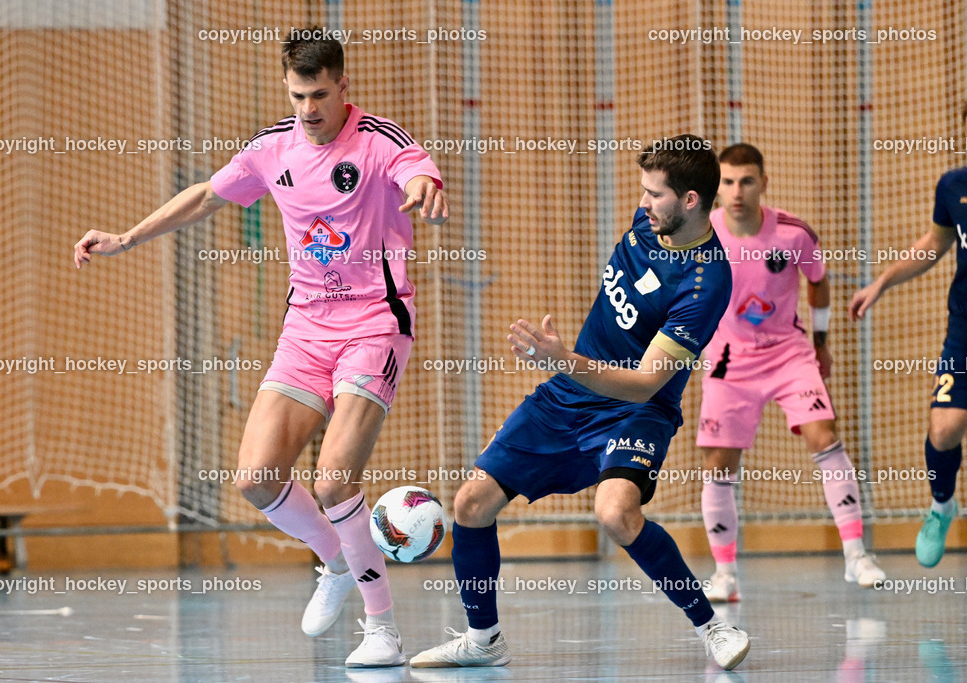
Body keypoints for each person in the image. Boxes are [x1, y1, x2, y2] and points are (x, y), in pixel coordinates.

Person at [73, 32, 448, 667]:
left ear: (343, 86)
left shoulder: (379, 140)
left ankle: (381, 628)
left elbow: (417, 170)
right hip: (305, 328)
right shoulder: (272, 148)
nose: (309, 109)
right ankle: (336, 560)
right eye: (298, 96)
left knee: (334, 479)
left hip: (374, 323)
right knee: (255, 478)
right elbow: (205, 196)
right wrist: (127, 238)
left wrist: (426, 189)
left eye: (320, 95)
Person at [411, 135, 750, 672]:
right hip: (569, 396)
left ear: (690, 201)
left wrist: (563, 358)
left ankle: (714, 626)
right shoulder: (650, 224)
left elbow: (645, 383)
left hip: (636, 409)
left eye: (655, 194)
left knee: (616, 512)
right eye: (643, 191)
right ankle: (483, 640)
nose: (642, 203)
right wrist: (568, 367)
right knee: (471, 504)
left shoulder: (705, 283)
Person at [697, 143, 885, 601]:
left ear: (763, 182)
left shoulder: (794, 233)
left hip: (788, 353)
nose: (737, 191)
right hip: (728, 359)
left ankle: (856, 555)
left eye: (746, 181)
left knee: (825, 436)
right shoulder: (702, 233)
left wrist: (821, 343)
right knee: (718, 463)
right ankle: (725, 575)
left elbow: (818, 282)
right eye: (727, 182)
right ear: (717, 187)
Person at [849, 104, 967, 568]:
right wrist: (881, 282)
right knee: (945, 428)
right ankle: (942, 507)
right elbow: (934, 243)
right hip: (964, 328)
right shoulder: (953, 186)